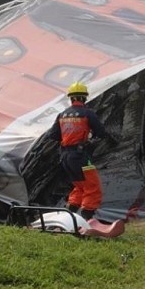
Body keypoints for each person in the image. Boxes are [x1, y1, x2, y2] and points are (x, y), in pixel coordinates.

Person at [51, 81, 118, 220]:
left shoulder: (62, 115)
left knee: (79, 186)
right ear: (84, 98)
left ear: (71, 98)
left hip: (65, 157)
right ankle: (87, 218)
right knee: (93, 186)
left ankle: (70, 215)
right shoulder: (87, 114)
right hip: (80, 156)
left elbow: (54, 135)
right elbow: (100, 132)